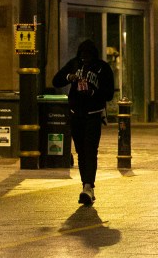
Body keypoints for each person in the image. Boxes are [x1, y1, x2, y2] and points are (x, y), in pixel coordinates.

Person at [53, 39, 114, 206]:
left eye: (87, 56)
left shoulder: (102, 68)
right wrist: (70, 77)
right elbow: (56, 80)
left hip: (93, 115)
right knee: (81, 151)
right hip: (76, 113)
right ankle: (85, 185)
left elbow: (109, 94)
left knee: (90, 149)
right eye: (82, 56)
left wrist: (93, 92)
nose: (85, 59)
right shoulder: (74, 64)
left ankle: (88, 186)